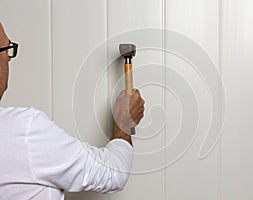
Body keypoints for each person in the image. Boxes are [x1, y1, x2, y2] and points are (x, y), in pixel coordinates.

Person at [0, 22, 145, 199]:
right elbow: (112, 174)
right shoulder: (22, 131)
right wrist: (123, 123)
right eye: (6, 48)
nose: (8, 58)